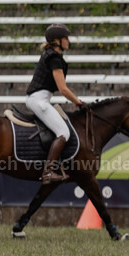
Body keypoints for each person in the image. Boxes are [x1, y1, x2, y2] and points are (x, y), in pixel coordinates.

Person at [25, 24, 85, 183]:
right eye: (66, 38)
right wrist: (79, 102)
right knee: (63, 132)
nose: (68, 41)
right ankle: (48, 172)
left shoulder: (52, 55)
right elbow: (63, 89)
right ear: (57, 41)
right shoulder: (54, 58)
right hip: (39, 100)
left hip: (40, 98)